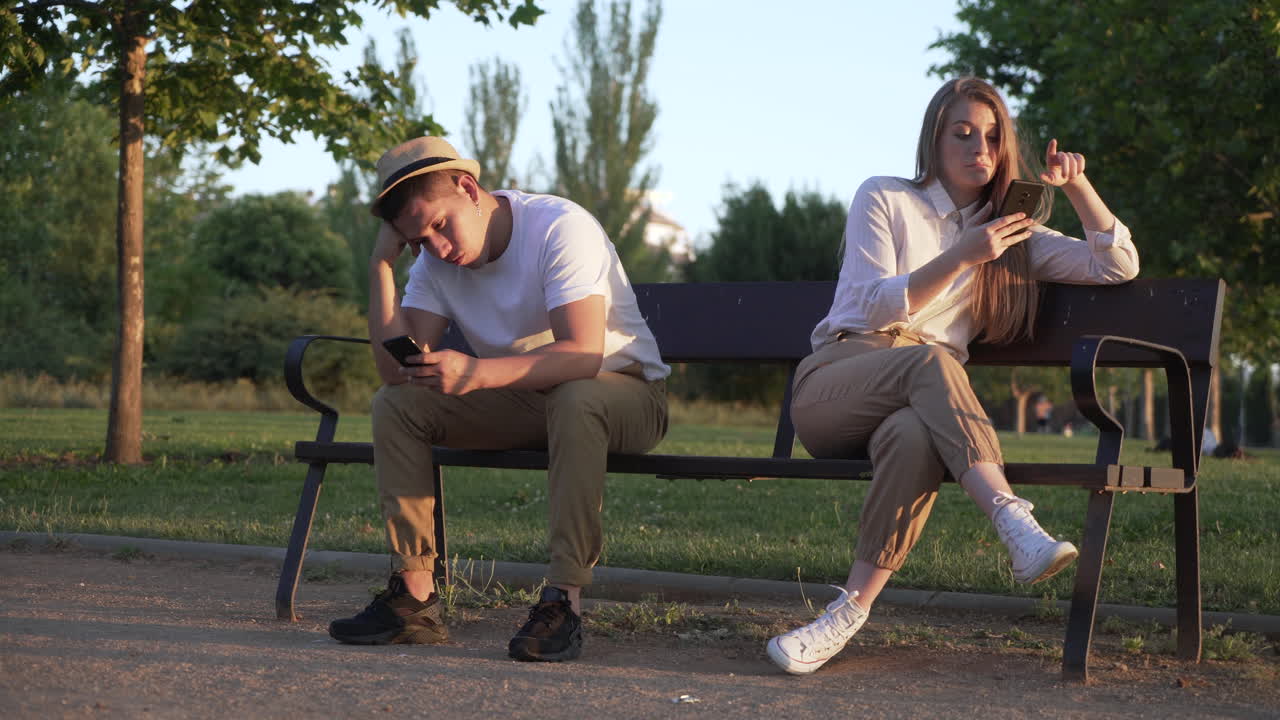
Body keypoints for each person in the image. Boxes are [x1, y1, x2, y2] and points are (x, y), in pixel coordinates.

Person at [766, 77, 1139, 675]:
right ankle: (1011, 518)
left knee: (916, 437)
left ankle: (845, 614)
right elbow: (872, 306)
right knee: (932, 359)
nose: (978, 149)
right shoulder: (885, 197)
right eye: (962, 134)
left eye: (991, 137)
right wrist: (962, 255)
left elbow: (1117, 265)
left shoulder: (1013, 237)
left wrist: (1077, 186)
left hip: (917, 405)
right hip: (838, 382)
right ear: (934, 141)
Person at [327, 137, 670, 662]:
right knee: (396, 405)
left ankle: (563, 600)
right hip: (527, 399)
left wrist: (477, 373)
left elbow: (582, 354)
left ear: (468, 188)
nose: (438, 249)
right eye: (418, 240)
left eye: (440, 225)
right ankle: (413, 599)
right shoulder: (434, 263)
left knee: (576, 396)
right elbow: (395, 372)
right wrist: (380, 266)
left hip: (625, 395)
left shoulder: (558, 227)